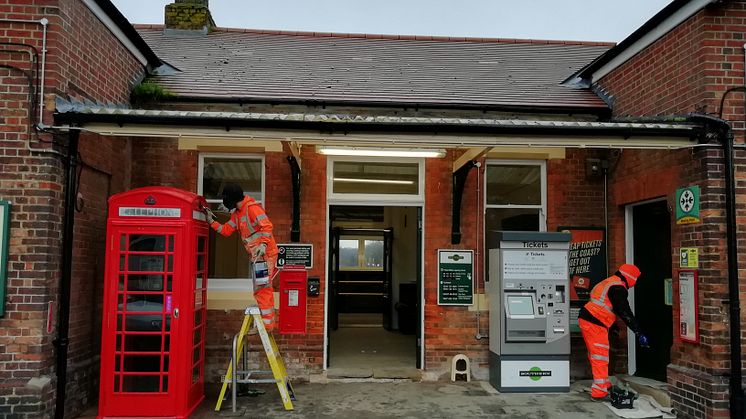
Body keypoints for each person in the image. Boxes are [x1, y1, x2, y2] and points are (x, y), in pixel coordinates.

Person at [206, 183, 279, 331]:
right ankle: (267, 324)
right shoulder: (237, 214)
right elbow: (226, 231)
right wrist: (211, 221)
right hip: (258, 257)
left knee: (262, 288)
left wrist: (263, 245)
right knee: (260, 288)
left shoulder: (252, 208)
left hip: (266, 255)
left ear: (231, 199)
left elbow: (267, 226)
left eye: (224, 199)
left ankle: (267, 325)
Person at [578, 263, 649, 401]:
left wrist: (614, 327)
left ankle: (603, 384)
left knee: (598, 355)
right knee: (600, 356)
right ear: (630, 277)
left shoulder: (610, 282)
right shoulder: (618, 288)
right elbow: (624, 312)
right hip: (594, 323)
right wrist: (638, 332)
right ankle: (599, 392)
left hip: (591, 320)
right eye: (636, 279)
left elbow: (609, 307)